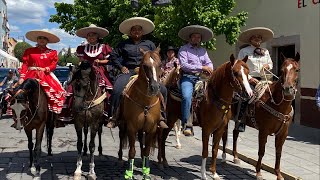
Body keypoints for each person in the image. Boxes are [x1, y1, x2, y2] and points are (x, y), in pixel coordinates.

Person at [106, 17, 168, 129]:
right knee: (117, 89)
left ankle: (161, 116)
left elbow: (157, 57)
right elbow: (113, 56)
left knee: (163, 89)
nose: (136, 31)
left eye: (139, 29)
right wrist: (121, 67)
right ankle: (113, 117)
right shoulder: (123, 44)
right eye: (134, 30)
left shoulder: (149, 44)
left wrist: (158, 69)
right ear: (130, 32)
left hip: (147, 72)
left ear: (142, 32)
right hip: (128, 71)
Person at [12, 30, 66, 128]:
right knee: (16, 93)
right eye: (40, 38)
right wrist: (22, 77)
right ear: (37, 39)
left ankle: (54, 117)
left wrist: (46, 69)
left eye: (44, 38)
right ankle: (18, 118)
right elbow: (25, 64)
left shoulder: (52, 52)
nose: (42, 40)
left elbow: (53, 65)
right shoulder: (29, 51)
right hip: (30, 74)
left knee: (56, 93)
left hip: (45, 75)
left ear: (47, 41)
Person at [60, 24, 113, 122]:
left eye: (93, 35)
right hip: (84, 70)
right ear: (86, 37)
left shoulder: (104, 47)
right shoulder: (82, 48)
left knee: (108, 88)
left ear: (98, 36)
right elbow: (80, 60)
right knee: (71, 87)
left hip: (99, 70)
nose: (91, 37)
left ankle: (107, 113)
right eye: (89, 35)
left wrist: (100, 62)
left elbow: (108, 61)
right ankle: (72, 111)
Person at [178, 25, 214, 136]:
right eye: (194, 37)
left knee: (213, 96)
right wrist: (202, 68)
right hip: (188, 77)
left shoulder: (203, 50)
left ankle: (210, 121)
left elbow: (208, 63)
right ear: (190, 38)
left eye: (198, 37)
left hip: (202, 78)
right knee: (186, 96)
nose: (196, 39)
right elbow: (184, 65)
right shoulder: (184, 49)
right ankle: (186, 124)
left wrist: (210, 69)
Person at [236, 27, 274, 132]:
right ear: (250, 39)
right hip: (248, 78)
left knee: (274, 93)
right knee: (246, 96)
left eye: (259, 37)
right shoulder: (244, 51)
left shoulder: (265, 51)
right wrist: (249, 78)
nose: (258, 39)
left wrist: (267, 66)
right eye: (255, 37)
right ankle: (241, 121)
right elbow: (239, 67)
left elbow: (271, 63)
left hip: (264, 78)